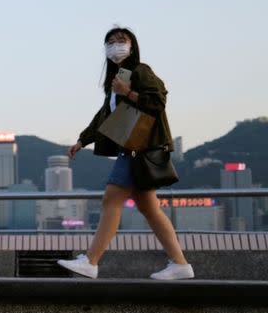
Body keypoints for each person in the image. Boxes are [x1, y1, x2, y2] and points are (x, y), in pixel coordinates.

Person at [57, 27, 194, 280]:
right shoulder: (117, 80)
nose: (115, 45)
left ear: (132, 45)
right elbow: (103, 117)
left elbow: (157, 102)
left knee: (111, 200)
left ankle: (91, 261)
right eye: (110, 42)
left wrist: (128, 92)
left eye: (122, 41)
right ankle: (180, 264)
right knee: (149, 208)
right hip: (132, 148)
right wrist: (82, 140)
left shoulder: (141, 71)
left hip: (137, 149)